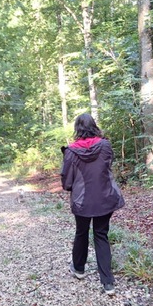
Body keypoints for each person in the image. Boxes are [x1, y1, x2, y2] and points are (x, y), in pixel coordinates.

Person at [61, 113, 125, 295]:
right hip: (105, 197)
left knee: (81, 232)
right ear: (94, 126)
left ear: (77, 128)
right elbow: (107, 166)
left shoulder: (71, 151)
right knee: (101, 235)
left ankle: (79, 269)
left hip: (82, 201)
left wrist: (71, 188)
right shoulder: (105, 145)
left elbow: (66, 180)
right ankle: (108, 283)